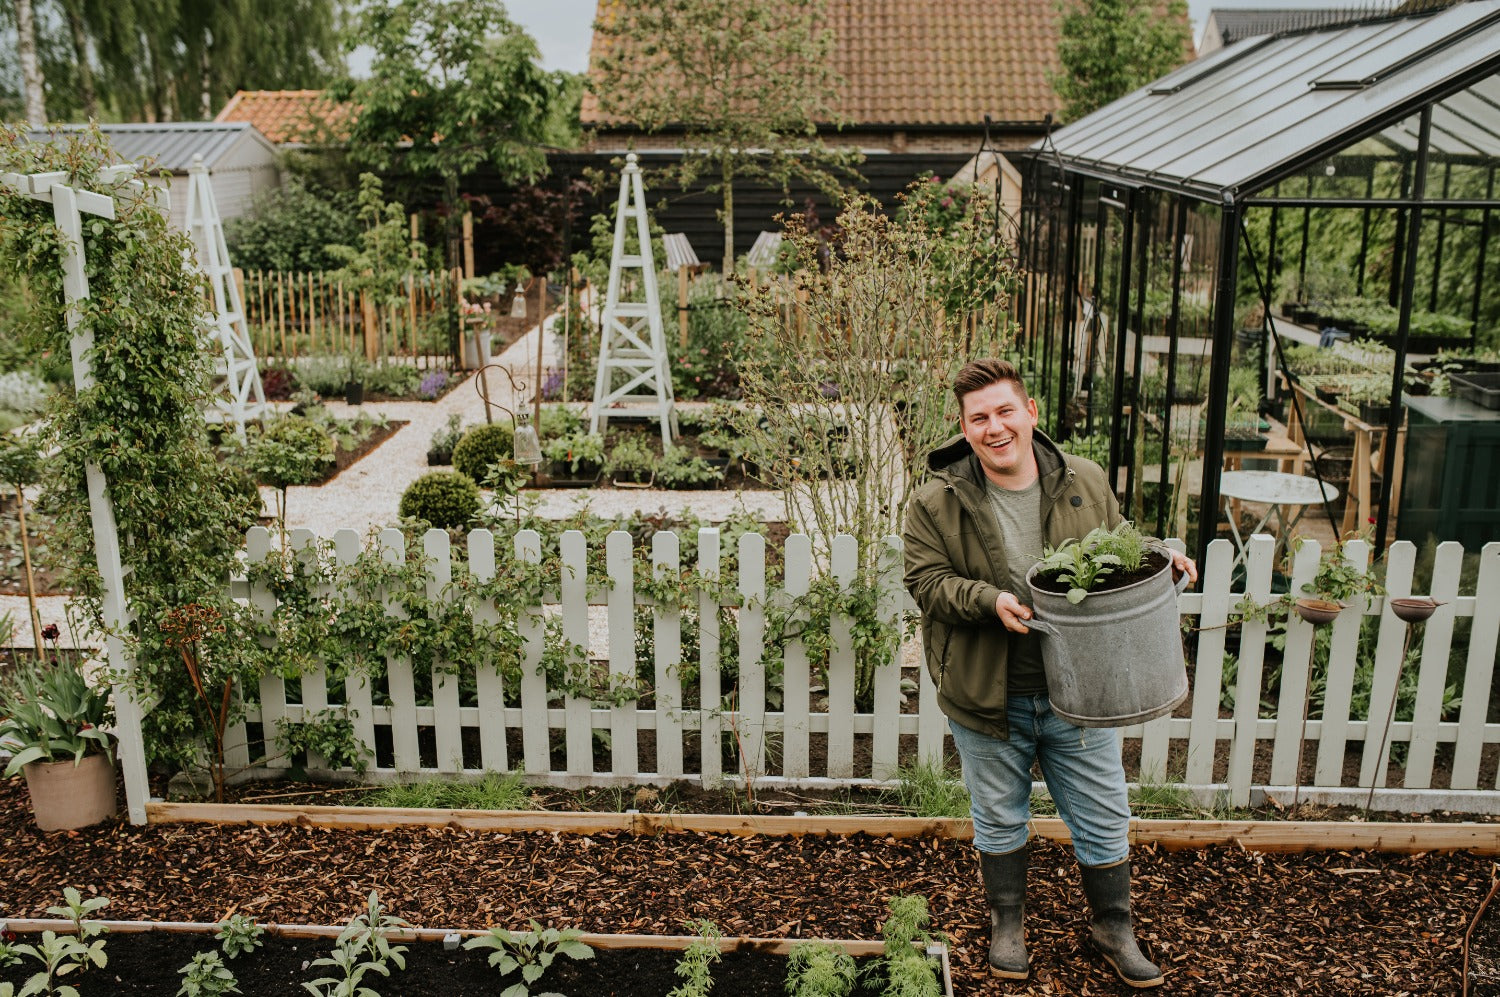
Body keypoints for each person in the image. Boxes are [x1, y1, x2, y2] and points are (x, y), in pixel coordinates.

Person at [902, 358, 1196, 989]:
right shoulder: (934, 501)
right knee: (999, 813)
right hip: (988, 690)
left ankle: (1112, 924)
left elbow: (1121, 550)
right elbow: (926, 584)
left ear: (1031, 412)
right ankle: (1008, 920)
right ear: (964, 427)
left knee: (1102, 810)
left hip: (1078, 691)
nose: (994, 427)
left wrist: (1164, 556)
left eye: (1005, 411)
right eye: (979, 418)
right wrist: (990, 601)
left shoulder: (1082, 481)